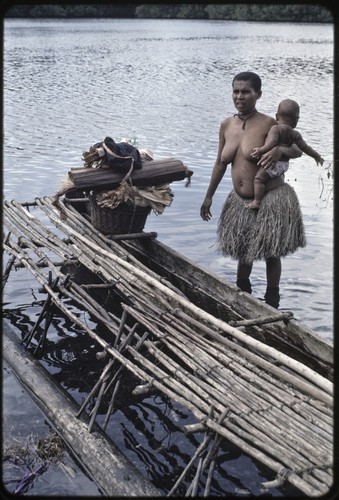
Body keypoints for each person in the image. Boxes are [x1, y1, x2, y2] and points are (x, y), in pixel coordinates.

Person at [200, 71, 306, 308]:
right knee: (243, 250)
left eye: (246, 91)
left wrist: (280, 151)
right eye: (236, 91)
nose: (240, 96)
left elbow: (298, 150)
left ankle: (272, 300)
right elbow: (220, 163)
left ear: (258, 94)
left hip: (269, 198)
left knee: (271, 252)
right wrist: (208, 197)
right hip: (240, 200)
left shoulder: (270, 124)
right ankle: (242, 294)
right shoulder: (226, 125)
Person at [245, 99, 324, 209]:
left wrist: (261, 150)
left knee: (259, 179)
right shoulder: (295, 134)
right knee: (270, 177)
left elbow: (271, 142)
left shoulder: (276, 128)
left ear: (277, 117)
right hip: (284, 165)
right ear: (296, 121)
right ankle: (276, 184)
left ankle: (257, 201)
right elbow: (305, 148)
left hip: (274, 163)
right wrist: (317, 156)